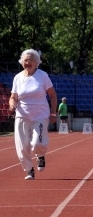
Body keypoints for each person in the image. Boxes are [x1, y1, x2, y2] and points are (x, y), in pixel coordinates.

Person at [9, 49, 58, 180]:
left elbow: (52, 95)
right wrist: (12, 104)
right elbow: (13, 96)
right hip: (22, 114)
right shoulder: (18, 78)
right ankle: (29, 170)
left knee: (38, 143)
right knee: (22, 145)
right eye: (25, 60)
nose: (28, 62)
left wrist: (53, 113)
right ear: (21, 62)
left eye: (31, 60)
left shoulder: (43, 76)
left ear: (36, 62)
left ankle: (40, 155)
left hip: (40, 114)